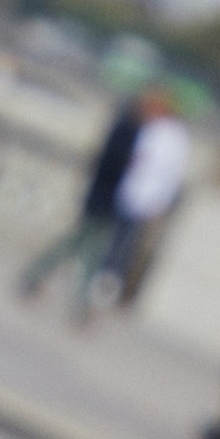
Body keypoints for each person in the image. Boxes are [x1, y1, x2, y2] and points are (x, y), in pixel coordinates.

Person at [19, 86, 190, 323]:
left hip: (109, 201)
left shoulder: (134, 128)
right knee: (89, 252)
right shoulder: (129, 129)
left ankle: (38, 280)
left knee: (79, 246)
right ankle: (75, 303)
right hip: (105, 201)